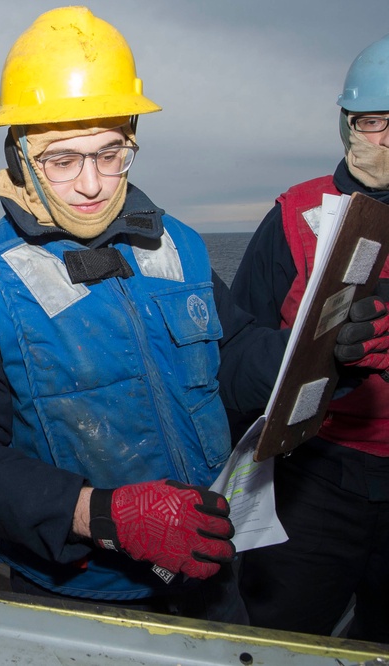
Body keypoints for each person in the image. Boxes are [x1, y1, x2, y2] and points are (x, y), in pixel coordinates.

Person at [0, 6, 289, 622]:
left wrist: (318, 351)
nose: (92, 183)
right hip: (76, 595)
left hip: (210, 568)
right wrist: (103, 515)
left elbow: (235, 357)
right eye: (63, 160)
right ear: (21, 156)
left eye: (111, 154)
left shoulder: (181, 246)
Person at [232, 35, 389, 643]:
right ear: (347, 124)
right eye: (373, 122)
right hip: (315, 474)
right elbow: (240, 343)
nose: (385, 138)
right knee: (282, 635)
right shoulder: (297, 213)